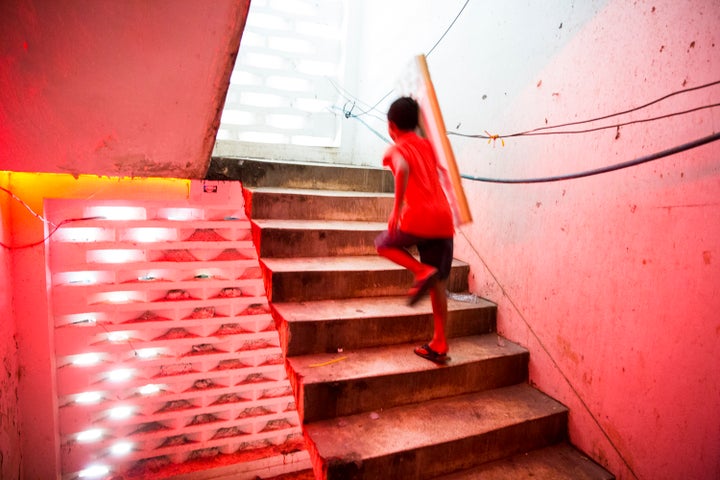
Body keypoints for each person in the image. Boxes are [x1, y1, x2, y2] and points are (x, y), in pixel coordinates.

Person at [374, 96, 455, 365]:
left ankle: (420, 271)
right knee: (437, 284)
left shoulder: (394, 150)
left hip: (419, 218)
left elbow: (403, 168)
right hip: (444, 219)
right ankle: (440, 342)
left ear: (391, 126)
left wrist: (396, 208)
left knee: (383, 243)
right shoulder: (428, 146)